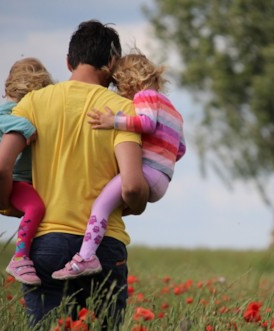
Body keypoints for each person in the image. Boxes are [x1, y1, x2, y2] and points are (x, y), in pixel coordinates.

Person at [0, 20, 149, 328]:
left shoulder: (33, 102)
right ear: (112, 63)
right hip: (104, 247)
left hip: (45, 243)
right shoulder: (122, 110)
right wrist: (138, 203)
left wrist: (6, 203)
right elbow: (131, 187)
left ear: (68, 61)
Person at [52, 50, 186, 280]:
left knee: (100, 206)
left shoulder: (145, 97)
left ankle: (85, 257)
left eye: (119, 85)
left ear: (130, 80)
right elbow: (180, 149)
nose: (119, 92)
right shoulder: (174, 110)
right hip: (163, 178)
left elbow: (146, 123)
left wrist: (112, 121)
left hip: (147, 172)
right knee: (112, 206)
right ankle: (93, 246)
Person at [0, 57, 53, 286]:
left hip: (27, 180)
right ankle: (20, 257)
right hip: (15, 180)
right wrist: (27, 127)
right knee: (36, 207)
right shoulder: (7, 112)